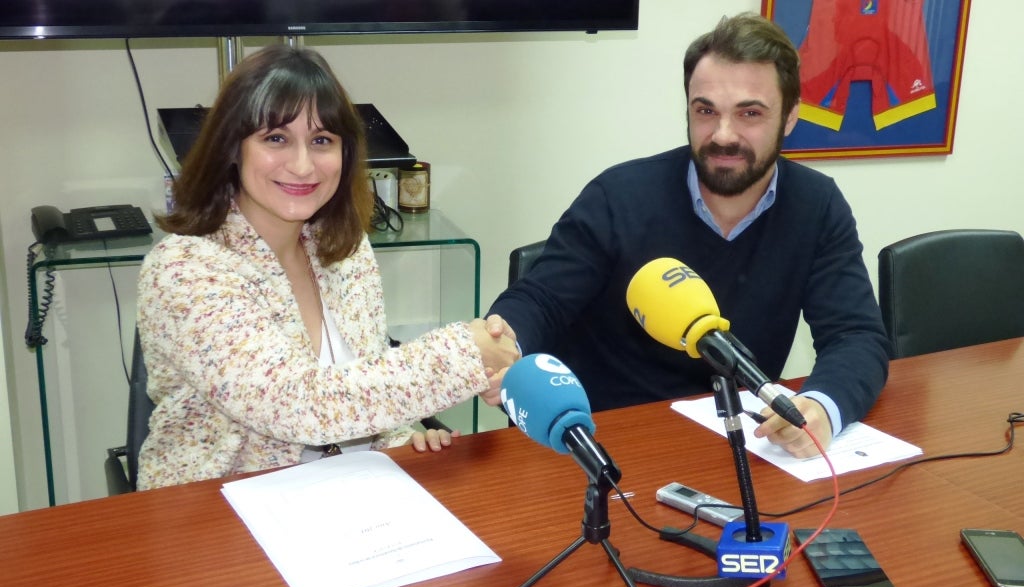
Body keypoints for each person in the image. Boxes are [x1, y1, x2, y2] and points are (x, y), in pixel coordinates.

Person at [487, 13, 890, 458]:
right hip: (608, 445)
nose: (722, 135)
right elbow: (541, 300)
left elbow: (856, 336)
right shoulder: (619, 196)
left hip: (737, 449)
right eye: (705, 111)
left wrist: (821, 407)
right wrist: (506, 341)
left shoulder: (816, 205)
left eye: (749, 113)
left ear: (790, 117)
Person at [136, 44, 519, 490]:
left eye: (322, 141)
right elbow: (298, 404)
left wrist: (401, 437)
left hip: (348, 498)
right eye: (275, 138)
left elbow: (360, 380)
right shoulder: (183, 268)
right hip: (220, 513)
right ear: (233, 148)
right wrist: (467, 355)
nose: (302, 165)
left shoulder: (345, 249)